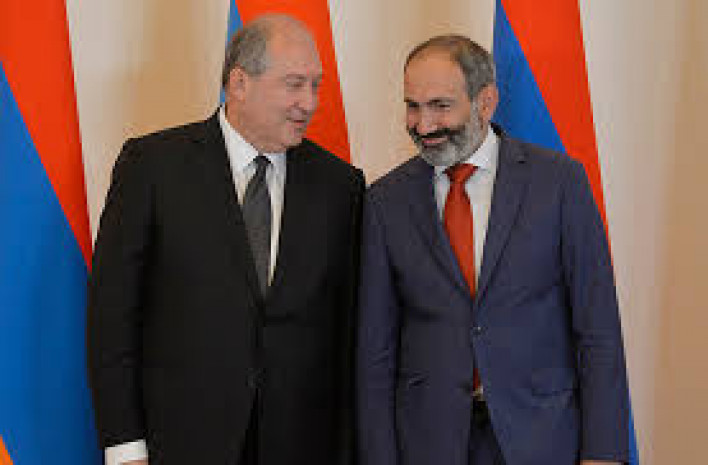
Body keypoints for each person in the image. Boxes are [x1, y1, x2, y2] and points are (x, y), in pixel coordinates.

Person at [87, 14, 364, 465]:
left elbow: (348, 334)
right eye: (294, 84)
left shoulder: (341, 186)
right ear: (239, 83)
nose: (310, 102)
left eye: (315, 85)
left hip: (300, 446)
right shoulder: (153, 167)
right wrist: (124, 447)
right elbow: (112, 318)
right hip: (180, 444)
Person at [357, 35, 629, 465]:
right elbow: (375, 351)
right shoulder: (384, 201)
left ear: (485, 102)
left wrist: (604, 453)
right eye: (413, 106)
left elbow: (598, 330)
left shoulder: (559, 183)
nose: (423, 125)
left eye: (440, 106)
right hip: (428, 443)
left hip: (541, 438)